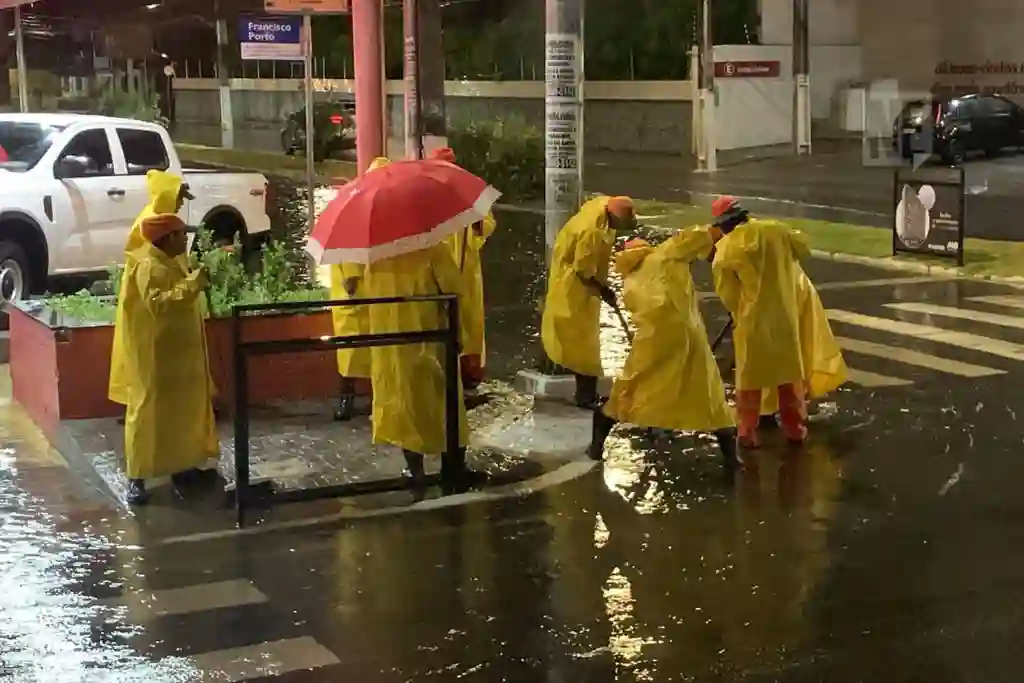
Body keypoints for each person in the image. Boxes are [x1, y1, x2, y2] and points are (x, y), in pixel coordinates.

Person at [588, 234, 738, 470]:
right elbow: (697, 236)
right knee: (710, 398)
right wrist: (720, 233)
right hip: (689, 340)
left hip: (651, 343)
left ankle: (596, 447)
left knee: (627, 392)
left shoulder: (629, 279)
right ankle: (732, 459)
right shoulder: (665, 255)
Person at [115, 213, 219, 505]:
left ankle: (181, 466)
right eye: (182, 235)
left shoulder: (169, 262)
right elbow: (159, 305)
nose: (185, 240)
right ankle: (137, 477)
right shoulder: (149, 266)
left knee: (178, 413)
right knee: (147, 414)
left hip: (177, 356)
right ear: (168, 238)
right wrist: (193, 284)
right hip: (155, 358)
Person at [364, 237, 476, 494]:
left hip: (390, 347)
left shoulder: (376, 254)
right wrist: (460, 335)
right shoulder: (432, 248)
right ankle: (453, 469)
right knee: (445, 404)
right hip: (430, 342)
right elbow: (456, 294)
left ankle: (416, 472)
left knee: (405, 409)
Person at [710, 195, 816, 448]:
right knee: (789, 375)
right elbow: (803, 248)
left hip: (752, 320)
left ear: (724, 224)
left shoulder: (726, 248)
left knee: (749, 379)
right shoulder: (777, 230)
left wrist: (739, 311)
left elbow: (728, 292)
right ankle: (794, 429)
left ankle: (747, 432)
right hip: (785, 315)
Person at [541, 195, 636, 408]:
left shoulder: (601, 207)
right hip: (574, 289)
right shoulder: (591, 231)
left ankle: (586, 393)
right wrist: (605, 290)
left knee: (581, 343)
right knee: (584, 348)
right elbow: (584, 270)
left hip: (579, 287)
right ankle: (585, 397)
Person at [110, 170, 194, 407]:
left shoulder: (165, 220)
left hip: (158, 295)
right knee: (143, 355)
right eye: (178, 199)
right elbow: (150, 260)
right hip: (143, 298)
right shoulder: (151, 223)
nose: (179, 205)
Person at [428, 146, 497, 391]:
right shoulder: (424, 193)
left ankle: (468, 373)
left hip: (466, 266)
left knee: (468, 319)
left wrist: (477, 220)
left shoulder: (470, 192)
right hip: (437, 265)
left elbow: (487, 224)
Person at [329, 156, 390, 420]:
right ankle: (347, 398)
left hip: (376, 291)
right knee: (350, 349)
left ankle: (379, 399)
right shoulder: (353, 203)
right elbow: (343, 242)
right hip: (352, 290)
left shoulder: (388, 209)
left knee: (377, 349)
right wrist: (352, 276)